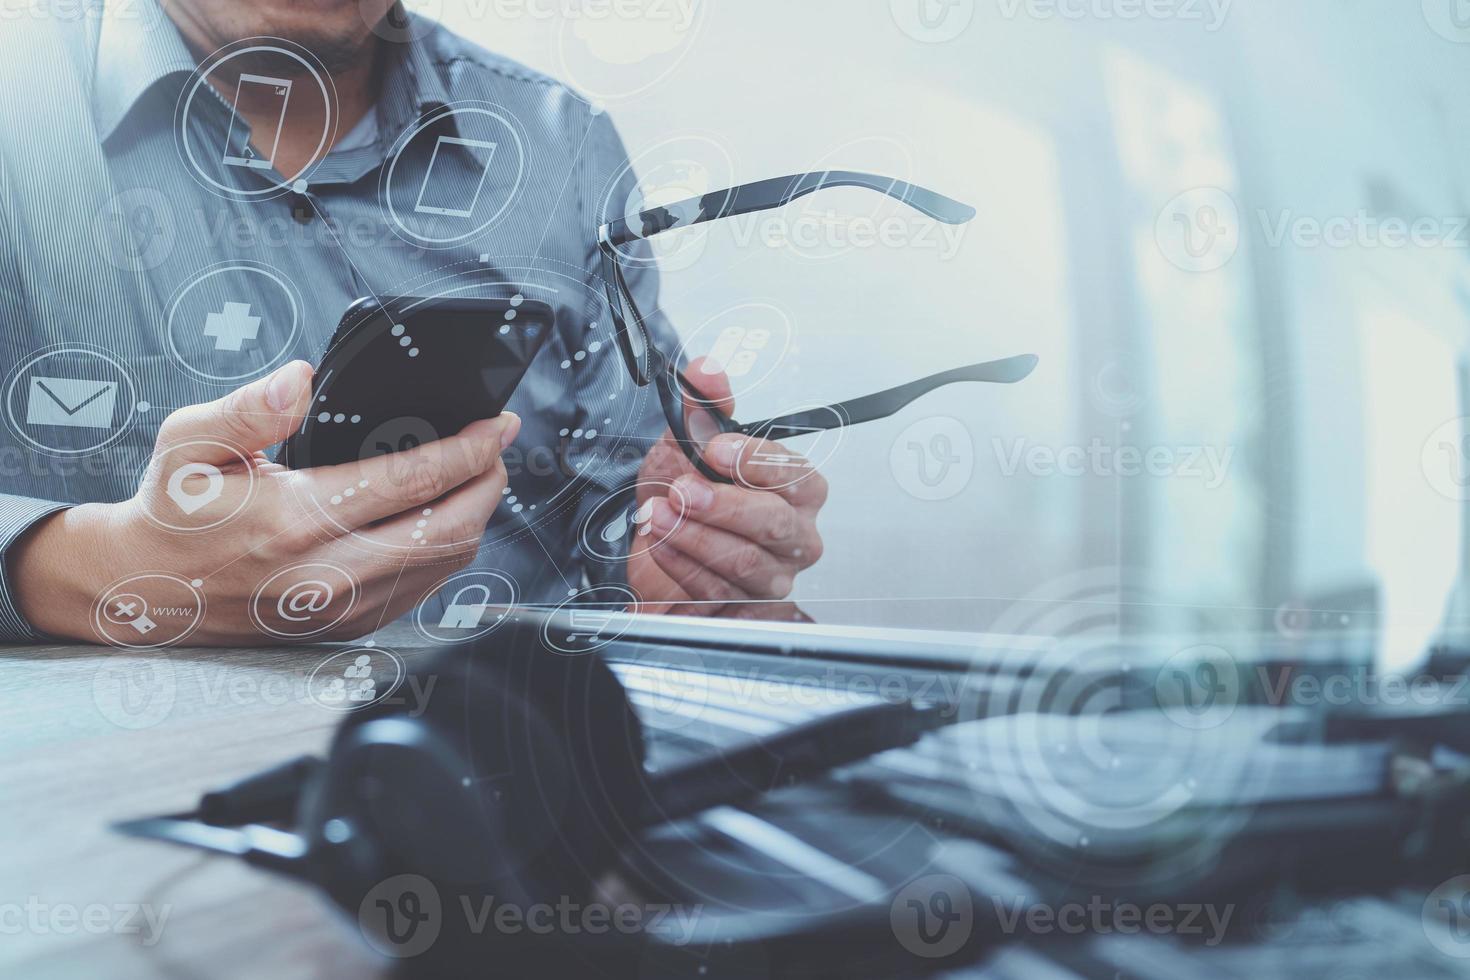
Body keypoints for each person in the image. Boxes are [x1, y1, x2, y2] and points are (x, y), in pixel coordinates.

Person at [0, 0, 826, 644]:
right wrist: (103, 570)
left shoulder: (558, 145)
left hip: (509, 774)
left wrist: (679, 559)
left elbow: (623, 520)